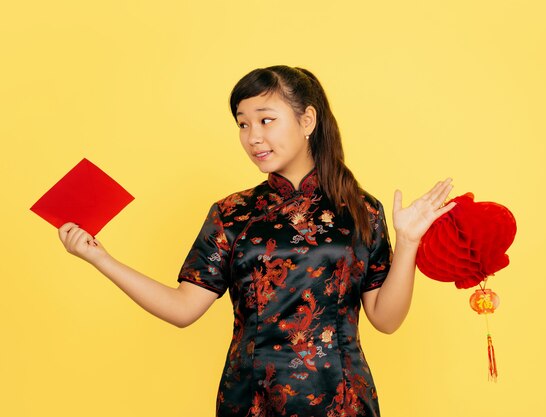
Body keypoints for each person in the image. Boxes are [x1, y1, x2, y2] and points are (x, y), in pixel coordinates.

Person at [58, 65, 456, 417]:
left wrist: (407, 244)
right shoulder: (232, 212)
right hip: (249, 401)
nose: (253, 137)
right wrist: (101, 259)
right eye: (243, 123)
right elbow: (182, 309)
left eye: (266, 120)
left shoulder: (359, 209)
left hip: (343, 400)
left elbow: (386, 320)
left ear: (307, 120)